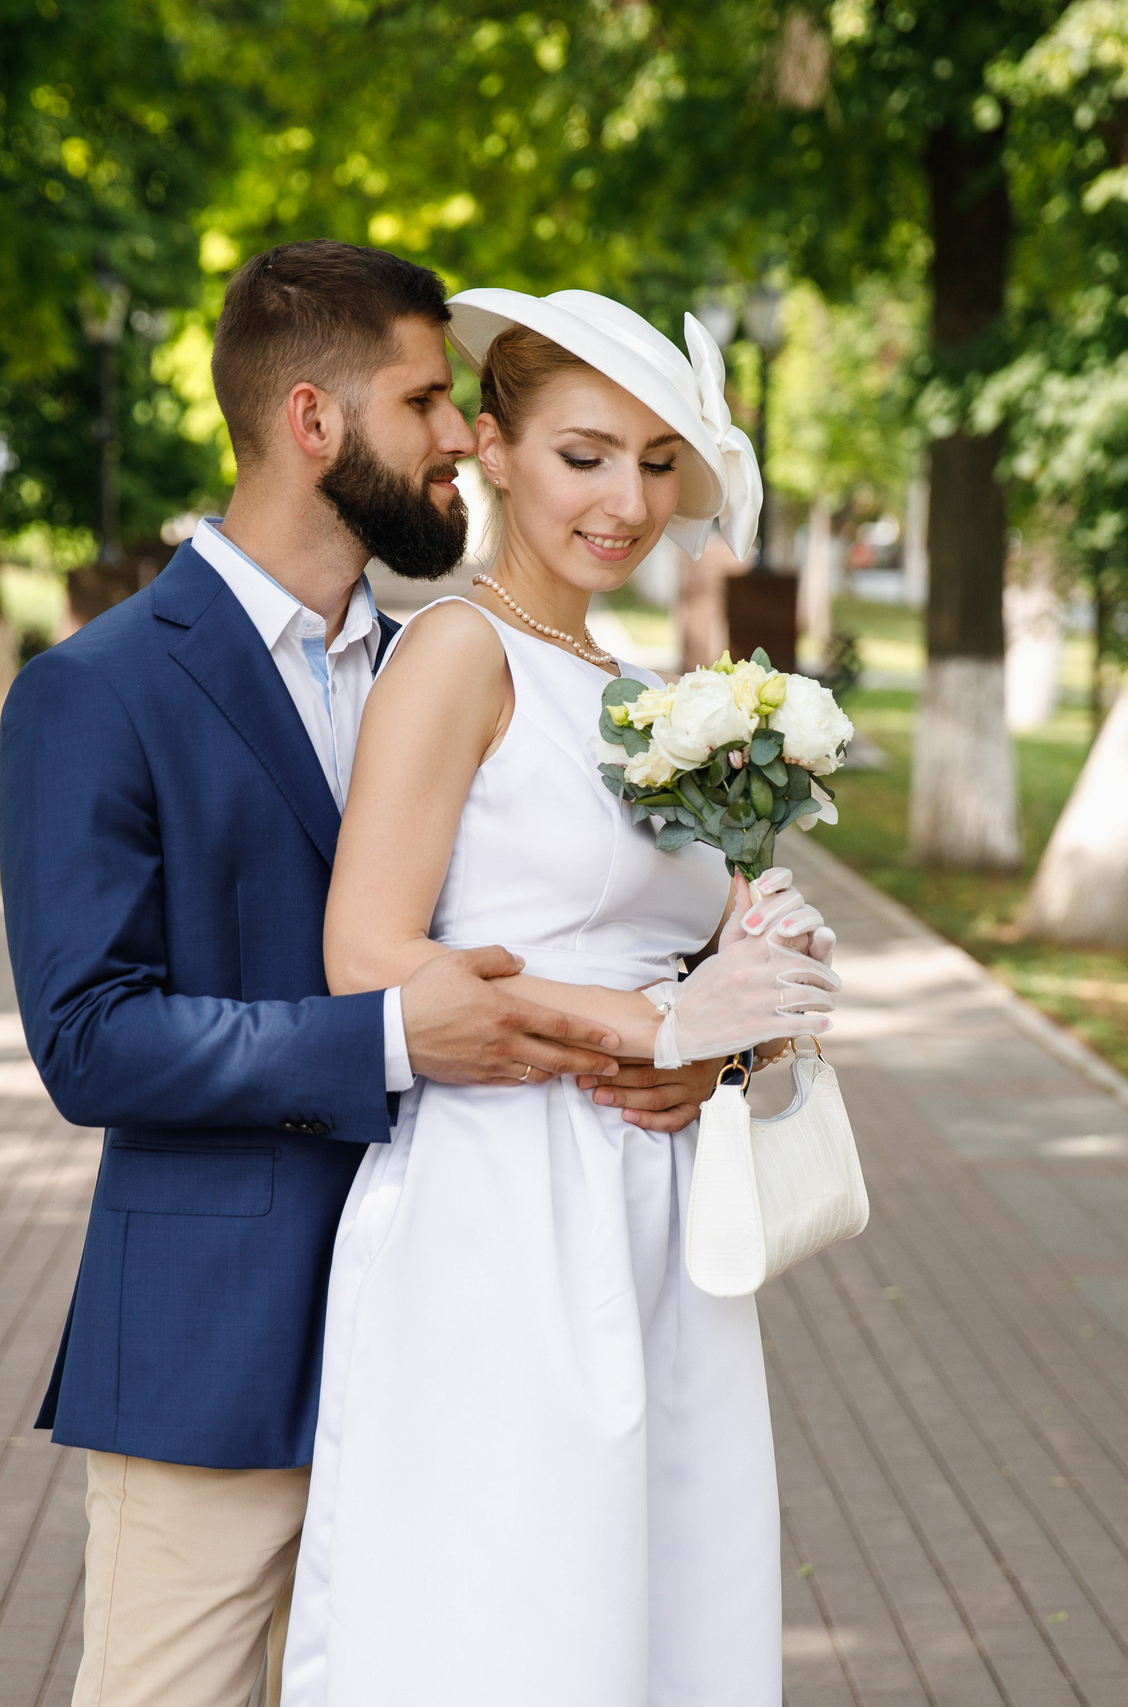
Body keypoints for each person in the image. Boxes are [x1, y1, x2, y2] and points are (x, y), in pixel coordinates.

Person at [0, 244, 831, 1707]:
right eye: (429, 402)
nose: (459, 434)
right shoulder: (100, 688)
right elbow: (90, 1041)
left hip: (515, 1283)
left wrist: (725, 1035)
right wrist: (396, 1034)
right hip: (234, 1324)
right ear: (316, 421)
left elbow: (607, 927)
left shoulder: (466, 657)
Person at [282, 288, 838, 1707]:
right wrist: (648, 1028)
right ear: (495, 448)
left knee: (665, 1613)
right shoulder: (459, 654)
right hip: (501, 1203)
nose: (627, 499)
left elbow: (703, 963)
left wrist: (742, 1013)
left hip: (660, 1214)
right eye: (587, 454)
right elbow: (369, 957)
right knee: (516, 1615)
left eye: (660, 463)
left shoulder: (650, 692)